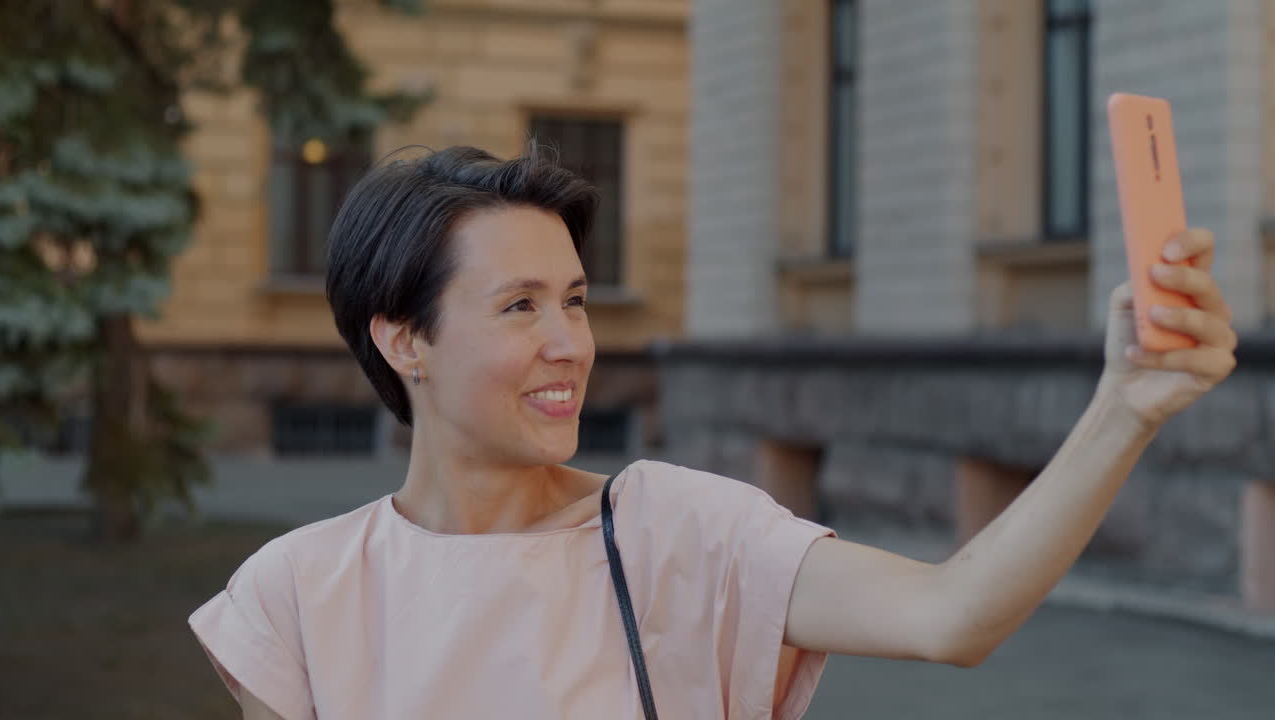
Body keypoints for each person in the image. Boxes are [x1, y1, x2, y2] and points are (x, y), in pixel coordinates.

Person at [188, 143, 1237, 719]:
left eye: (576, 299)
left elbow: (951, 616)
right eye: (519, 307)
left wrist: (1122, 410)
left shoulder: (681, 532)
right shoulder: (295, 598)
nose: (569, 342)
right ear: (402, 339)